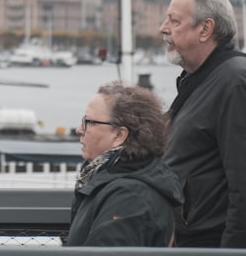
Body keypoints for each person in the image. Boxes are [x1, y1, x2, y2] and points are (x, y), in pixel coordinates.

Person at [160, 0, 246, 248]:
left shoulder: (237, 83)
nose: (163, 28)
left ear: (205, 29)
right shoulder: (204, 80)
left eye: (174, 21)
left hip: (212, 244)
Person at [64, 81, 183, 247]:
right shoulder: (115, 184)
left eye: (90, 122)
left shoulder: (129, 197)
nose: (79, 129)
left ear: (119, 135)